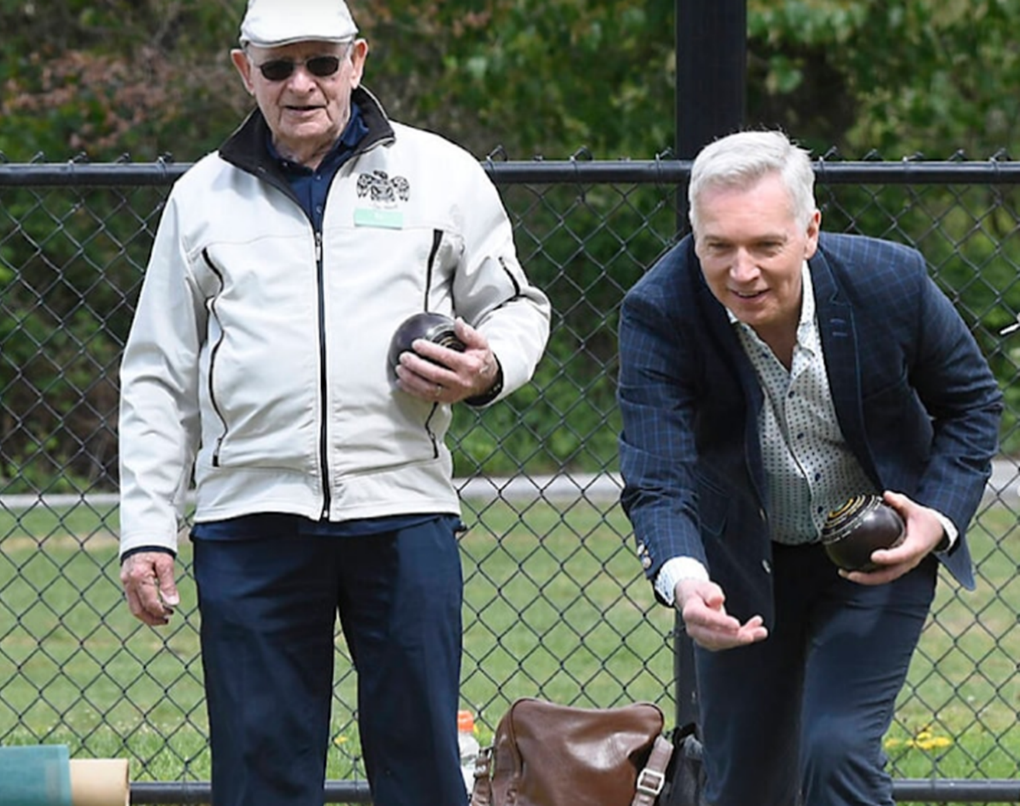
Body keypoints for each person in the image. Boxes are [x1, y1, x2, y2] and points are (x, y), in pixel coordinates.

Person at [116, 1, 550, 804]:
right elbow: (157, 372)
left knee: (423, 765)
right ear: (246, 72)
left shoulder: (441, 174)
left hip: (403, 508)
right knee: (260, 772)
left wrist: (490, 369)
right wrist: (147, 528)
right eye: (278, 67)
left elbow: (520, 307)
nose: (302, 84)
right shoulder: (201, 197)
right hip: (248, 521)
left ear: (358, 60)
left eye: (321, 62)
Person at [617, 130, 1002, 806]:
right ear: (694, 232)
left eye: (766, 245)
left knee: (837, 750)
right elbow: (658, 473)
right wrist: (685, 581)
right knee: (743, 787)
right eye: (719, 247)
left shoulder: (890, 281)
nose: (742, 272)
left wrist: (935, 521)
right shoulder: (660, 311)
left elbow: (971, 403)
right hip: (739, 563)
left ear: (810, 231)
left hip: (882, 552)